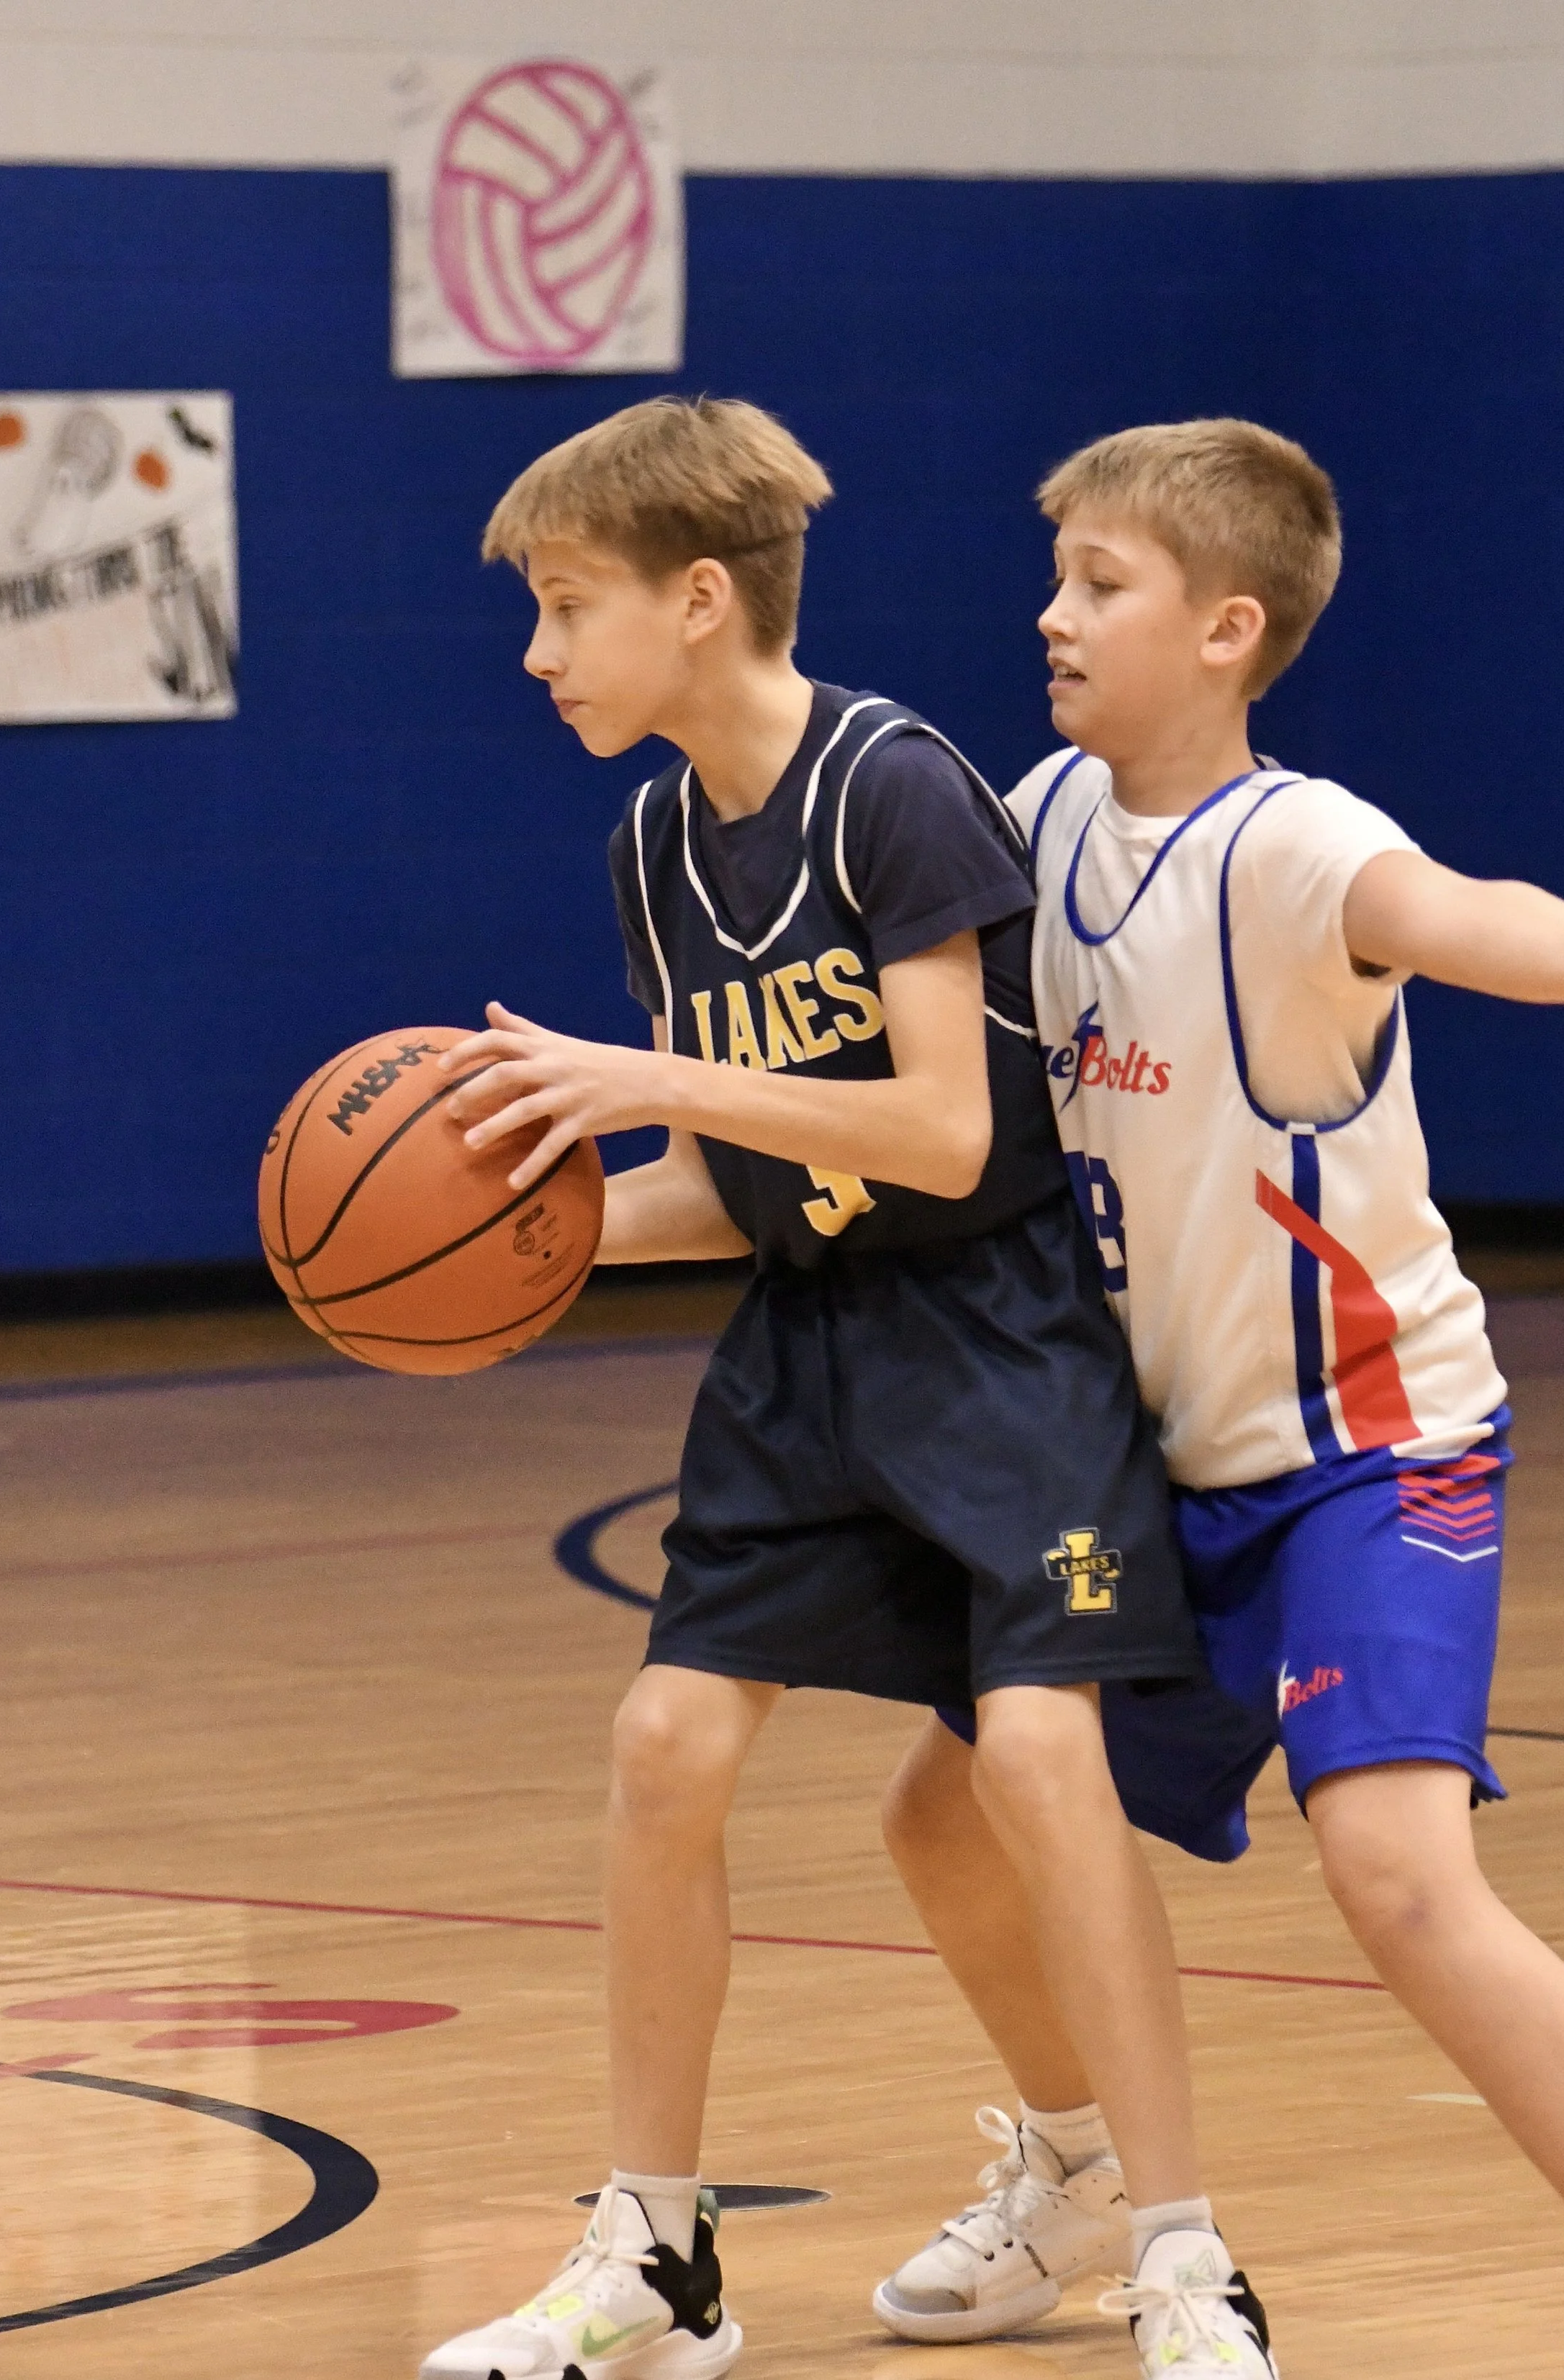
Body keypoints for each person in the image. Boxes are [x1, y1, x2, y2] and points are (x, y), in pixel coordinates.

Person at [877, 417, 1564, 2380]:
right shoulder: (1035, 818)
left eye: (1096, 585)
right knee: (945, 1818)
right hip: (1148, 1471)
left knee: (1392, 1870)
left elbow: (1450, 911)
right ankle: (1079, 2166)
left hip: (1368, 1455)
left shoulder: (1291, 845)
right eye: (1055, 577)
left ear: (1225, 628)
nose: (1050, 613)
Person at [417, 396, 1276, 2380]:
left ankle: (1179, 2247)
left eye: (565, 608)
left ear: (697, 599)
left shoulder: (891, 783)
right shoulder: (656, 834)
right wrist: (509, 1251)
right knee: (663, 1748)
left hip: (998, 1333)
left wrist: (645, 1087)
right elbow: (735, 1189)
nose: (539, 656)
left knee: (1038, 1768)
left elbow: (947, 1130)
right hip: (809, 1348)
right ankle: (653, 2256)